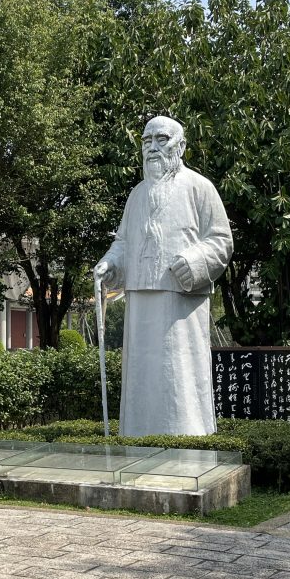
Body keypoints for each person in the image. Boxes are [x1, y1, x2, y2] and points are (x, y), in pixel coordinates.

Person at [94, 115, 233, 436]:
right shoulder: (137, 195)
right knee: (142, 377)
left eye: (162, 139)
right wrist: (110, 263)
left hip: (180, 300)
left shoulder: (200, 188)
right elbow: (124, 243)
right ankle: (137, 440)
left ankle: (189, 441)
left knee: (179, 378)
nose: (153, 148)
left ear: (181, 146)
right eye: (147, 141)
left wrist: (194, 262)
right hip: (140, 299)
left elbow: (221, 240)